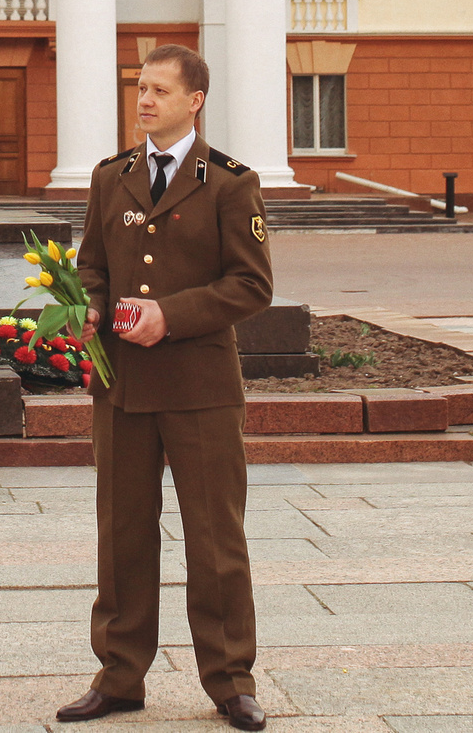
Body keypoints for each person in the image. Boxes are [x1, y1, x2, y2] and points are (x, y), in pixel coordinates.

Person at [60, 44, 274, 730]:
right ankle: (120, 675)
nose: (144, 99)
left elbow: (252, 284)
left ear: (195, 99)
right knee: (122, 535)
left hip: (200, 386)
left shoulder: (231, 182)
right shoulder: (108, 177)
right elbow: (92, 264)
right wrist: (87, 305)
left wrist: (169, 314)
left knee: (215, 539)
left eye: (158, 89)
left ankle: (230, 680)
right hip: (121, 386)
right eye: (140, 87)